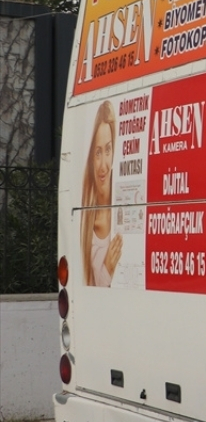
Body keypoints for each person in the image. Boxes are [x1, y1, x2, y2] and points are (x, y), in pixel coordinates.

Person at [80, 101, 122, 287]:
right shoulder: (85, 221)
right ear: (91, 158)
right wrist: (107, 270)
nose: (103, 164)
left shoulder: (120, 215)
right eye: (97, 153)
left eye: (108, 150)